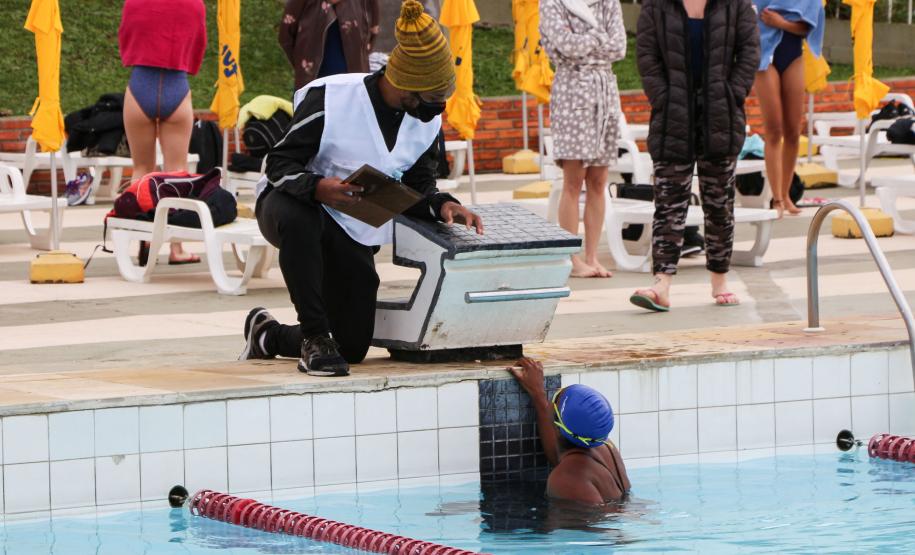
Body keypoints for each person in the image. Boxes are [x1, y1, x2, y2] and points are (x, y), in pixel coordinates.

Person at [240, 1, 483, 377]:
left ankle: (268, 336)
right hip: (290, 202)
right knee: (301, 219)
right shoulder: (332, 97)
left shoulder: (425, 121)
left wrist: (442, 205)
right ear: (404, 84)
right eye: (432, 99)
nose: (438, 108)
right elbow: (278, 164)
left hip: (351, 220)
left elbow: (418, 186)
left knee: (352, 346)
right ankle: (314, 337)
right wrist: (318, 187)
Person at [630, 0, 760, 312]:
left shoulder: (736, 5)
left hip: (721, 116)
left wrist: (732, 93)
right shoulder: (656, 6)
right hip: (672, 117)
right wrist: (663, 97)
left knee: (719, 204)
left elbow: (749, 52)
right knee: (668, 204)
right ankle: (662, 283)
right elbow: (646, 56)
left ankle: (720, 280)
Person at [540, 0, 627, 278]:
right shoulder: (552, 3)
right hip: (571, 93)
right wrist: (600, 36)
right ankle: (572, 257)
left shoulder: (608, 2)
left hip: (606, 93)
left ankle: (592, 256)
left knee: (599, 180)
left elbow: (620, 47)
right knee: (573, 180)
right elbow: (565, 46)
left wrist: (583, 41)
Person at [118, 0, 206, 265]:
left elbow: (125, 34)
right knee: (176, 172)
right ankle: (176, 248)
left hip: (140, 84)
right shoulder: (194, 3)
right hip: (176, 84)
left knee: (141, 168)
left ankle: (143, 238)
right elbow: (199, 42)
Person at [508, 358, 630, 505]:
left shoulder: (566, 478)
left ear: (557, 421)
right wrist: (537, 393)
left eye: (555, 398)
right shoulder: (602, 444)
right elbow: (559, 452)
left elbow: (582, 518)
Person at [752, 0, 825, 218]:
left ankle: (786, 195)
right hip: (765, 56)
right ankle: (776, 199)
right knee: (774, 129)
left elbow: (807, 27)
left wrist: (781, 23)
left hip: (793, 54)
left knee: (793, 131)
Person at [279, 0, 381, 90]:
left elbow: (372, 31)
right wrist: (303, 68)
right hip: (312, 83)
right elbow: (286, 36)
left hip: (353, 83)